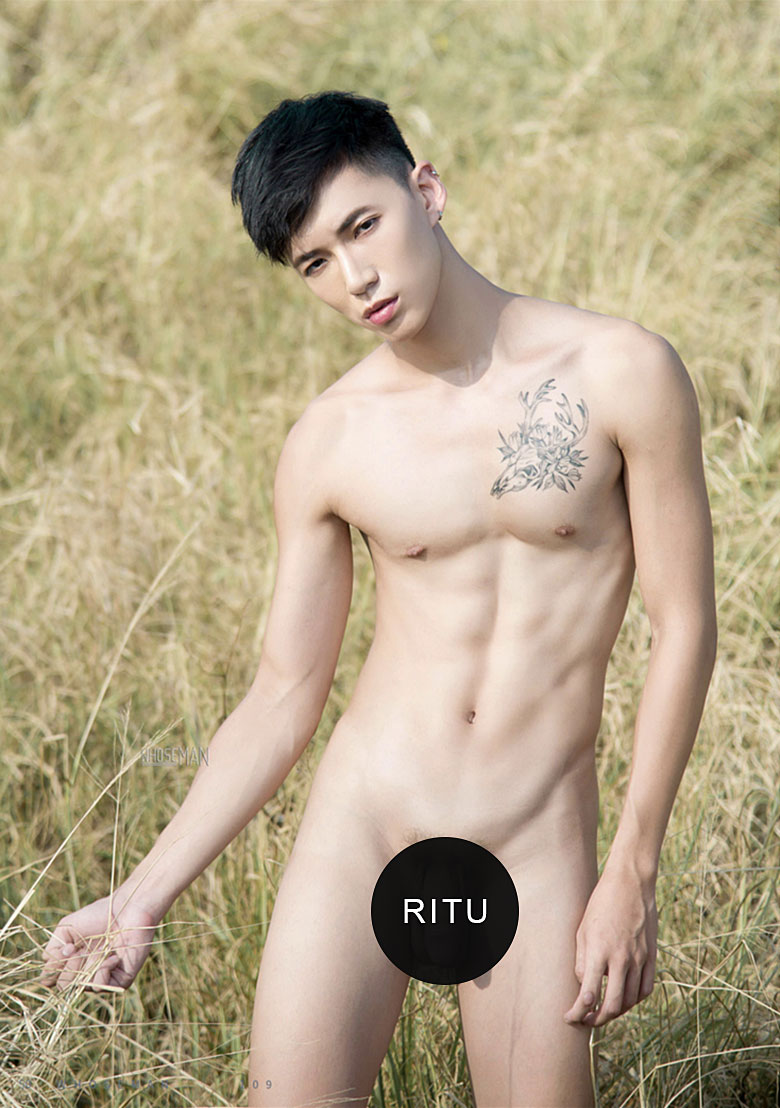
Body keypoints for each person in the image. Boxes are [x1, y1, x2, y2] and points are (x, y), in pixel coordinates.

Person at [40, 90, 718, 1108]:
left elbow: (685, 625)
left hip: (532, 832)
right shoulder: (331, 441)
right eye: (315, 262)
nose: (355, 278)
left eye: (363, 225)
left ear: (426, 191)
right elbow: (282, 695)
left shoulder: (623, 372)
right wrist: (140, 897)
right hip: (368, 822)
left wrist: (633, 869)